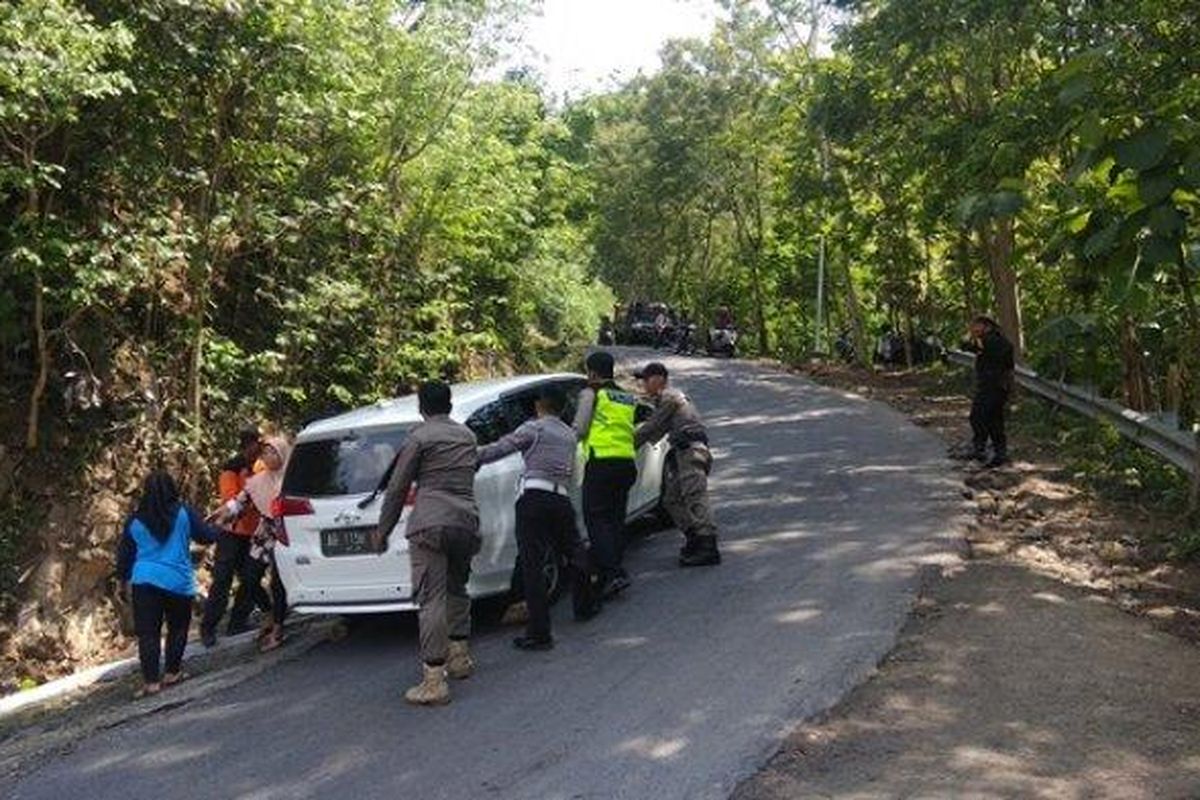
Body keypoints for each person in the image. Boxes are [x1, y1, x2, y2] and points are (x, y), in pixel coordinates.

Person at [371, 381, 481, 706]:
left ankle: (434, 680)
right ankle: (460, 657)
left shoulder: (419, 437)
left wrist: (383, 530)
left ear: (421, 407)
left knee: (431, 598)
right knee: (457, 587)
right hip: (466, 522)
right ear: (449, 404)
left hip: (430, 524)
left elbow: (397, 487)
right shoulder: (468, 436)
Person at [477, 385, 600, 651]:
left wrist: (469, 456)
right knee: (575, 551)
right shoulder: (569, 434)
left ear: (540, 406)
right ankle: (585, 605)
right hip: (561, 499)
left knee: (532, 565)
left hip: (533, 498)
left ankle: (540, 632)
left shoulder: (533, 428)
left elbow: (499, 449)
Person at [116, 471, 221, 699]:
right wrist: (221, 526)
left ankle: (151, 683)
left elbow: (125, 556)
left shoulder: (134, 521)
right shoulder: (183, 512)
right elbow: (206, 536)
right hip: (177, 581)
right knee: (178, 628)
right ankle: (172, 673)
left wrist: (122, 581)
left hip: (144, 581)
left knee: (148, 634)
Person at [633, 362, 722, 566]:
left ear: (659, 379)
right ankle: (694, 538)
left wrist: (623, 445)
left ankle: (708, 545)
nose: (644, 385)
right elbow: (656, 431)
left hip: (691, 451)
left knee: (694, 496)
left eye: (646, 380)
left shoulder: (670, 397)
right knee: (671, 499)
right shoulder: (665, 400)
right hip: (685, 453)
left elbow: (651, 428)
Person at [212, 436, 292, 652]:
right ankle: (268, 613)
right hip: (264, 532)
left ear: (283, 453)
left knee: (278, 582)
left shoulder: (293, 479)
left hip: (287, 531)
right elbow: (239, 501)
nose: (267, 456)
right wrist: (222, 515)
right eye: (265, 452)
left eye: (272, 452)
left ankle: (277, 627)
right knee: (249, 576)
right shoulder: (257, 481)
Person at [574, 351, 639, 599]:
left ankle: (613, 573)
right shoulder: (625, 396)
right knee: (615, 519)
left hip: (601, 462)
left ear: (592, 372)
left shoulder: (592, 393)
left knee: (596, 518)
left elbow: (579, 428)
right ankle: (613, 571)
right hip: (626, 464)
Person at [200, 425, 270, 648]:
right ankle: (208, 628)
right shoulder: (231, 469)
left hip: (254, 532)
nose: (258, 450)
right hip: (232, 534)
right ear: (247, 446)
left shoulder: (262, 467)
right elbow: (231, 502)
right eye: (255, 445)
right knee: (222, 580)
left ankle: (238, 621)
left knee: (251, 578)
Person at [963, 316, 1015, 468]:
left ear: (986, 326)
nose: (973, 329)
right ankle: (997, 452)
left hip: (990, 386)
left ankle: (982, 450)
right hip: (1000, 386)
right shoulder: (1003, 342)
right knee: (994, 419)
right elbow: (1010, 368)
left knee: (978, 417)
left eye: (976, 326)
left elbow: (965, 346)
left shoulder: (986, 341)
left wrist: (970, 337)